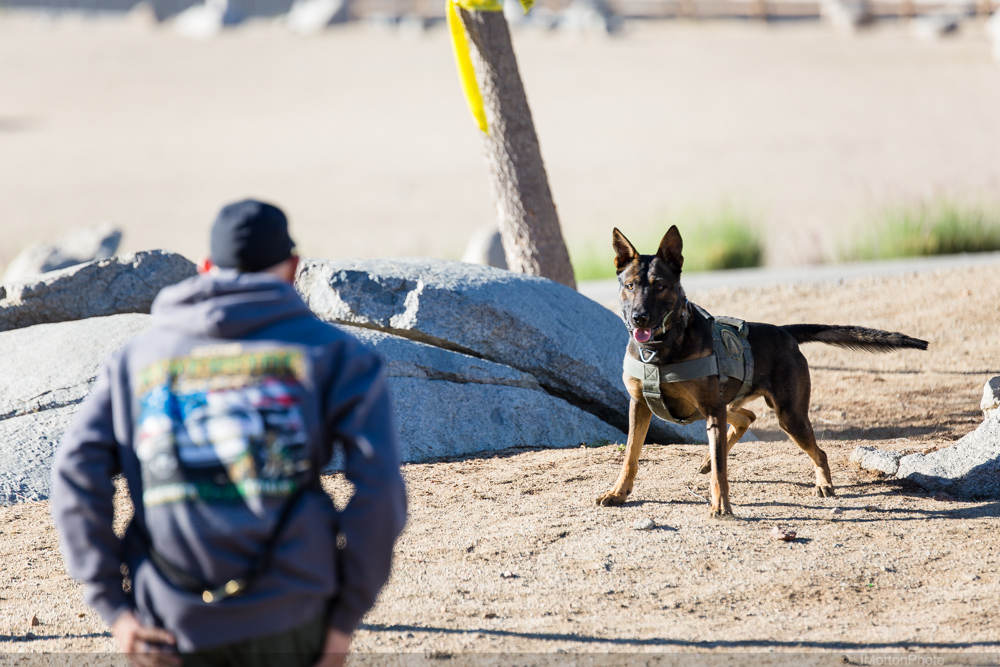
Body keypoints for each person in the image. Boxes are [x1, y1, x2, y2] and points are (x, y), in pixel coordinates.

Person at [51, 199, 407, 666]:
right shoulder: (337, 355)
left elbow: (74, 472)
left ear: (204, 268)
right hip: (291, 614)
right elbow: (381, 488)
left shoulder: (134, 362)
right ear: (293, 269)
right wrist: (344, 619)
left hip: (168, 623)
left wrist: (113, 607)